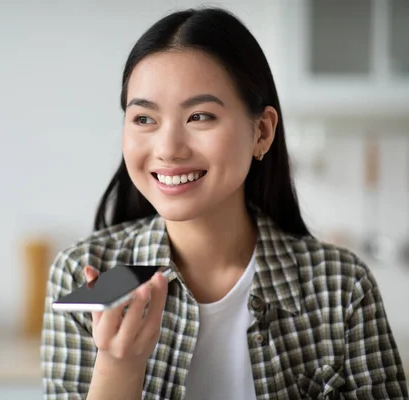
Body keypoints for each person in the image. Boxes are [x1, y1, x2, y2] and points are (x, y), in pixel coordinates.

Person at [40, 7, 408, 400]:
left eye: (199, 116)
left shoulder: (341, 286)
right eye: (144, 119)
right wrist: (118, 366)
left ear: (261, 132)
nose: (168, 149)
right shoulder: (86, 280)